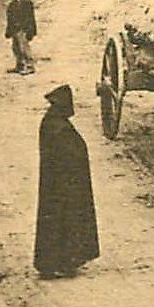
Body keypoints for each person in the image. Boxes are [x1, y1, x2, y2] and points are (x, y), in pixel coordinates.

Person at [35, 84, 100, 278]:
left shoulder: (52, 121)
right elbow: (67, 153)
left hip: (57, 183)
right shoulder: (58, 126)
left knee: (57, 220)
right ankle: (61, 262)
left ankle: (57, 262)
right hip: (62, 183)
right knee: (63, 219)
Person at [6, 0, 37, 74]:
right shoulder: (12, 3)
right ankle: (19, 65)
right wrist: (8, 30)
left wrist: (31, 31)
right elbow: (9, 17)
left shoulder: (27, 2)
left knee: (24, 48)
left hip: (24, 29)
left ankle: (29, 66)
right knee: (16, 48)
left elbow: (31, 18)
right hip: (15, 29)